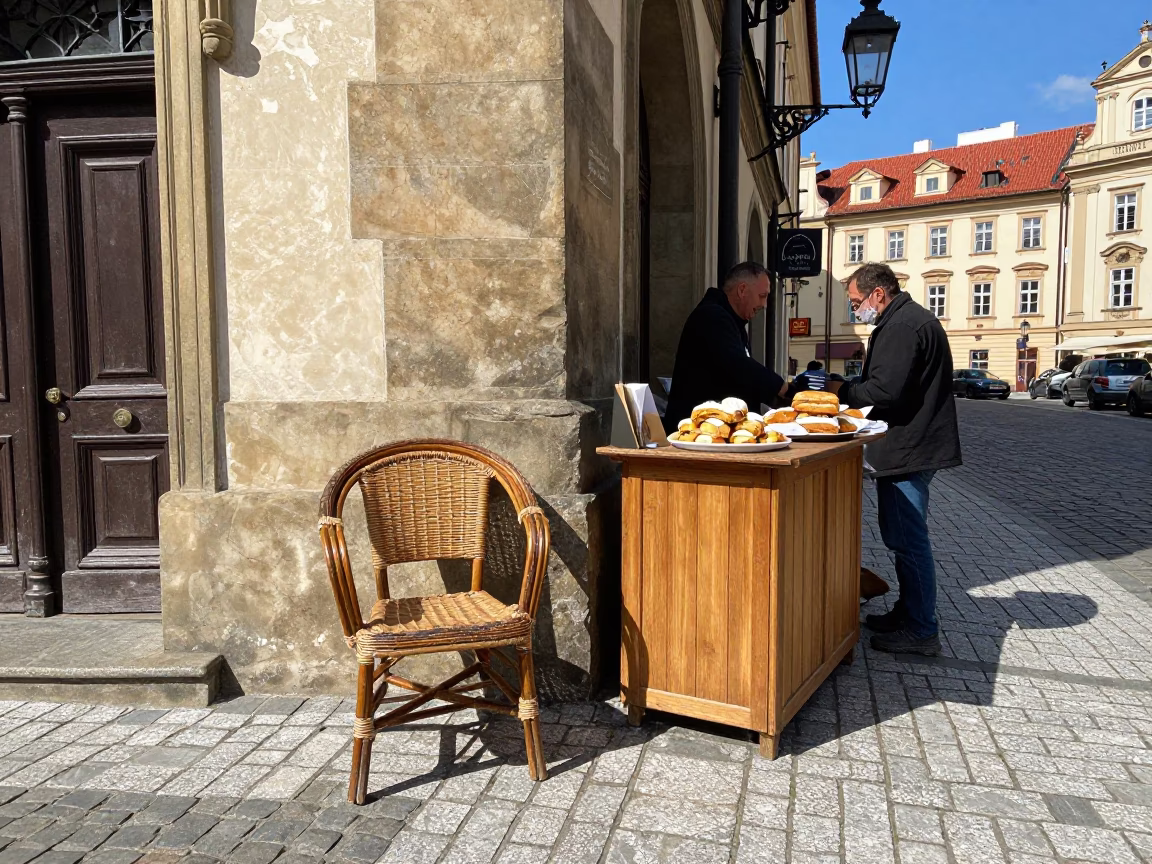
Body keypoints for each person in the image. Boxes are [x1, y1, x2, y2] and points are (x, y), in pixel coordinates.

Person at [825, 263, 961, 656]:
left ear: (878, 294)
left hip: (909, 448)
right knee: (903, 538)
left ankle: (921, 628)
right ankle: (909, 613)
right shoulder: (907, 320)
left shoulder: (902, 326)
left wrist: (843, 389)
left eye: (856, 303)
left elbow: (885, 391)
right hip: (911, 445)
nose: (856, 311)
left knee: (908, 540)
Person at [662, 261, 789, 432]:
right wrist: (782, 388)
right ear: (742, 290)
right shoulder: (711, 316)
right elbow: (738, 366)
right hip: (695, 434)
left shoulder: (732, 322)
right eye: (762, 296)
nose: (764, 305)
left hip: (715, 431)